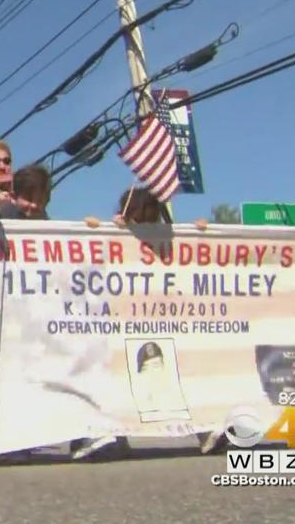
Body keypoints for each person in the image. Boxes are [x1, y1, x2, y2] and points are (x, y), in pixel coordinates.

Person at [83, 187, 212, 457]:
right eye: (139, 219)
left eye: (151, 220)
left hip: (166, 324)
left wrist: (202, 234)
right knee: (117, 380)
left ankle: (207, 428)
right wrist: (97, 230)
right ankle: (110, 433)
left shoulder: (169, 243)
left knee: (182, 376)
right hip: (120, 327)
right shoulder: (114, 237)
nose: (145, 226)